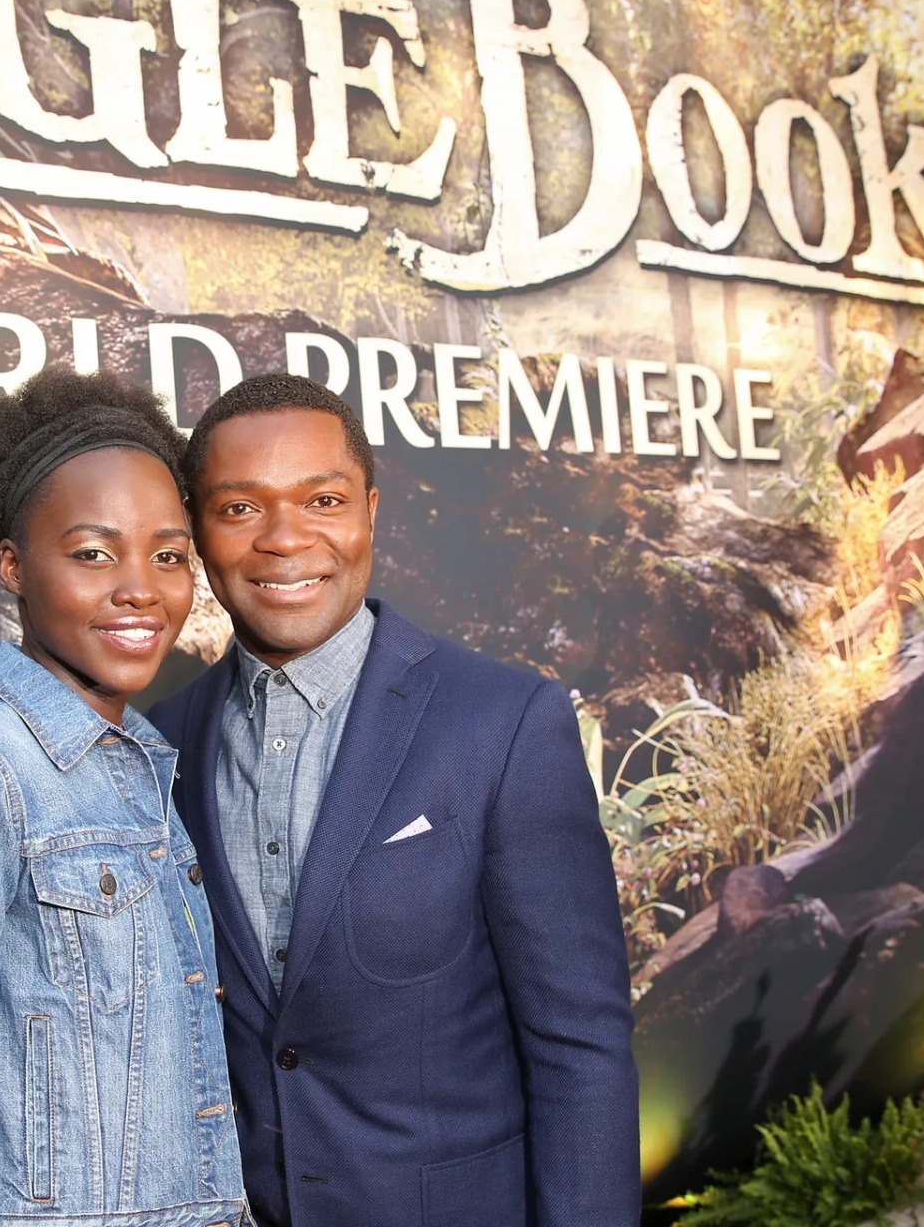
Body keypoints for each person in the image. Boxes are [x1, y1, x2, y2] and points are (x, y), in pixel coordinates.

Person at [147, 375, 639, 1227]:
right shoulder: (160, 744)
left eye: (323, 499)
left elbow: (581, 1047)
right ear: (195, 531)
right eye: (239, 509)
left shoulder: (505, 722)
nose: (285, 539)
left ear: (370, 509)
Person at [0, 370, 250, 1227]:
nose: (141, 587)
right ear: (12, 565)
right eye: (92, 553)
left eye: (169, 555)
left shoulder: (146, 765)